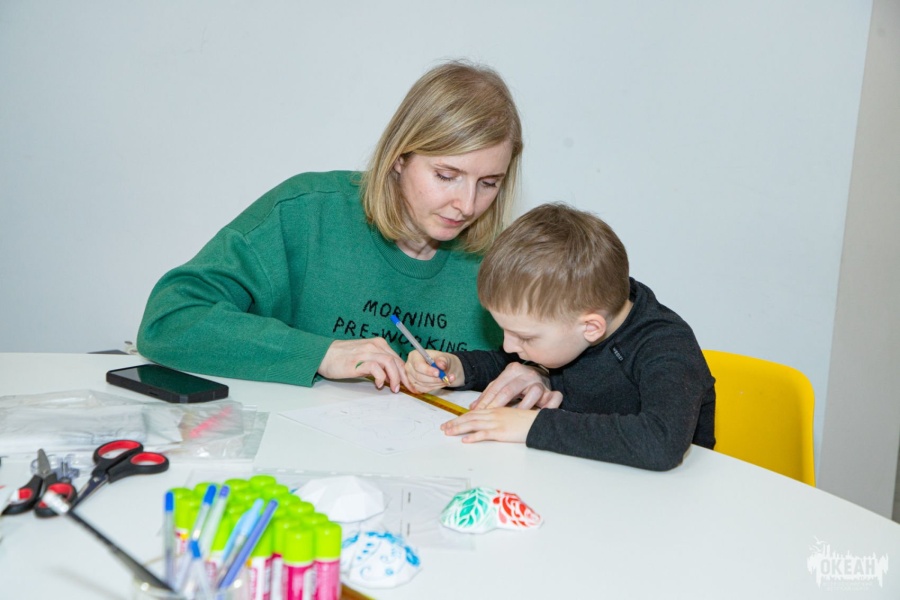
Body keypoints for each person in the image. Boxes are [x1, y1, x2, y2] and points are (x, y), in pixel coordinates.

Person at [137, 60, 523, 391]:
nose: (467, 205)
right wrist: (321, 353)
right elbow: (169, 320)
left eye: (489, 183)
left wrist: (536, 376)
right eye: (446, 175)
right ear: (399, 157)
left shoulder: (507, 258)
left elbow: (550, 364)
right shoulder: (306, 213)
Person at [403, 203, 716, 471]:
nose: (510, 345)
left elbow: (660, 441)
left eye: (524, 337)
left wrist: (531, 426)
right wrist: (457, 367)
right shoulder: (569, 322)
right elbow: (510, 362)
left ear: (591, 328)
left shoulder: (666, 347)